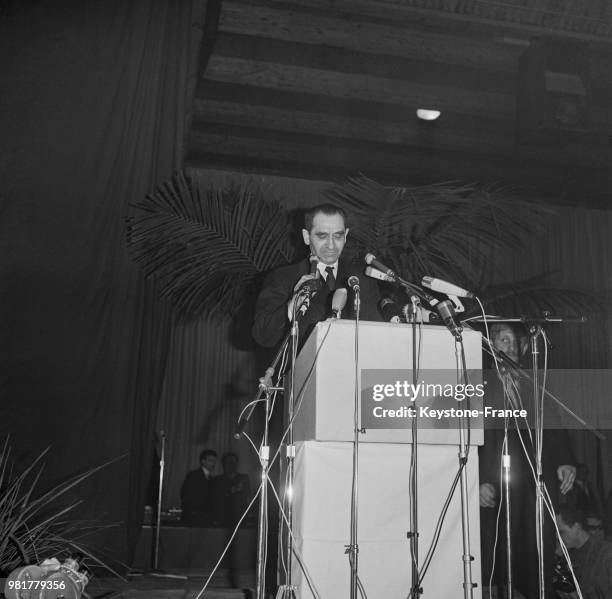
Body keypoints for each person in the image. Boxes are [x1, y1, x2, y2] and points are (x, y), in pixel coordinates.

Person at [478, 323, 576, 599]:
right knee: (501, 554)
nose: (511, 347)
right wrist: (478, 480)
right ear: (491, 347)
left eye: (514, 342)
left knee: (537, 551)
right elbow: (470, 439)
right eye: (503, 341)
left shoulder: (534, 382)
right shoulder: (478, 384)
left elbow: (554, 426)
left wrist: (565, 461)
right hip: (497, 485)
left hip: (535, 481)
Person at [252, 203, 383, 349]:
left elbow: (378, 335)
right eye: (322, 236)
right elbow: (263, 334)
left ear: (345, 236)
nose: (331, 245)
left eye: (338, 236)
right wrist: (292, 306)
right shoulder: (283, 277)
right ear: (307, 237)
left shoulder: (362, 279)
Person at [556, 505, 612, 598]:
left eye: (561, 532)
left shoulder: (606, 553)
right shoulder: (567, 556)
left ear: (576, 526)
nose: (558, 538)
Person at [212, 452, 252, 528]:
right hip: (223, 516)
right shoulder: (217, 479)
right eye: (228, 462)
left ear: (237, 464)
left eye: (233, 462)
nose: (231, 465)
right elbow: (216, 496)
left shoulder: (244, 478)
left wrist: (240, 490)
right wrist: (230, 491)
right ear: (224, 464)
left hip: (240, 516)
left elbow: (248, 492)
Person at [180, 449, 217, 526]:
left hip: (206, 517)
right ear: (203, 461)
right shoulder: (194, 476)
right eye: (211, 460)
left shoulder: (212, 478)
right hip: (194, 517)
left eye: (214, 461)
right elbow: (185, 495)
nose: (213, 463)